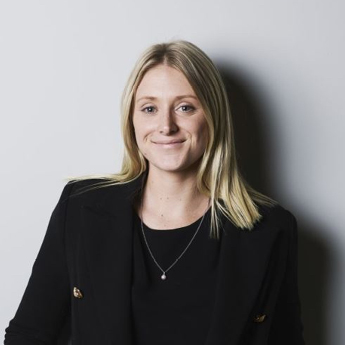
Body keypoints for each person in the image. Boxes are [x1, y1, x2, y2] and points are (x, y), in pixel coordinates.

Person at [4, 40, 305, 345]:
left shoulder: (271, 230)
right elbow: (29, 335)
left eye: (185, 107)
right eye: (149, 108)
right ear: (132, 120)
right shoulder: (81, 208)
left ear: (212, 117)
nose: (166, 126)